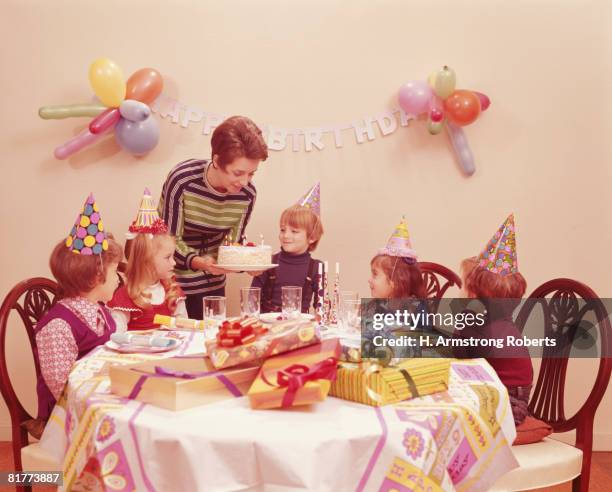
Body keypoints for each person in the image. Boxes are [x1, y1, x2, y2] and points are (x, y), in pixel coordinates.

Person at [158, 115, 269, 319]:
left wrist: (247, 265)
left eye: (252, 174)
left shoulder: (247, 195)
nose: (245, 182)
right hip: (175, 285)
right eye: (238, 173)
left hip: (214, 287)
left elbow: (231, 244)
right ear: (217, 161)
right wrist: (200, 263)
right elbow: (168, 240)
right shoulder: (183, 180)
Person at [32, 194, 121, 437]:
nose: (118, 279)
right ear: (95, 278)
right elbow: (63, 390)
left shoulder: (101, 311)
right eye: (114, 272)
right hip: (67, 418)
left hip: (101, 401)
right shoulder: (58, 327)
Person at [455, 214, 534, 425]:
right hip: (499, 394)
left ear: (474, 294)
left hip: (509, 405)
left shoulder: (485, 329)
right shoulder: (495, 323)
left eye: (462, 285)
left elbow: (460, 361)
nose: (459, 290)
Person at [108, 188, 186, 331]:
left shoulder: (173, 291)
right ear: (146, 260)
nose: (174, 263)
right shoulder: (125, 296)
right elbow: (115, 337)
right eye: (167, 257)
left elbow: (185, 329)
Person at [252, 183, 324, 313]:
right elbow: (252, 300)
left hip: (299, 327)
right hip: (268, 326)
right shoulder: (267, 262)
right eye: (283, 229)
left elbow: (321, 307)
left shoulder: (316, 268)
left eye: (294, 231)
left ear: (312, 237)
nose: (286, 235)